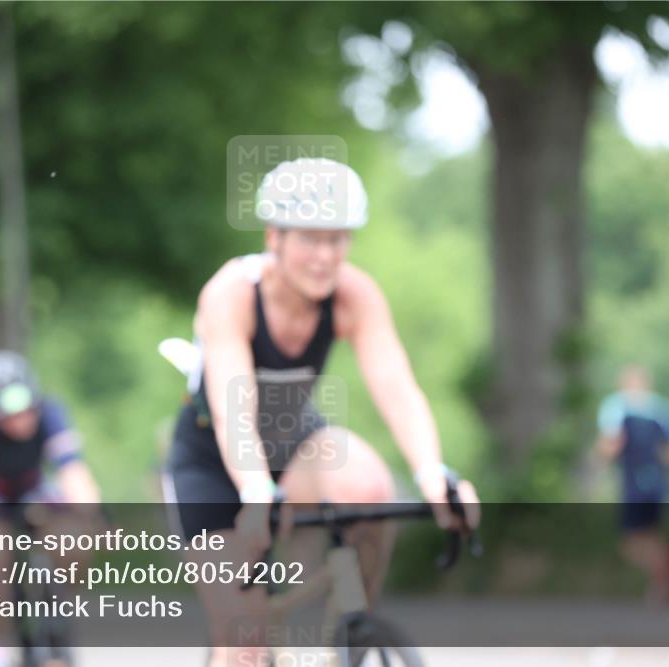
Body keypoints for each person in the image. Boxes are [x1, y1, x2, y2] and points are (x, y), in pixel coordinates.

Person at [164, 158, 480, 667]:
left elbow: (395, 385)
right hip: (214, 464)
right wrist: (254, 489)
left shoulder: (355, 294)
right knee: (243, 641)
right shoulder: (231, 295)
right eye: (311, 239)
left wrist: (432, 474)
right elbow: (234, 409)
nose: (325, 256)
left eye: (338, 239)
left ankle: (342, 637)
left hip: (294, 443)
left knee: (368, 484)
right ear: (274, 237)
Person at [0, 349, 101, 667]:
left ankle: (58, 612)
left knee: (74, 539)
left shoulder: (51, 411)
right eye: (8, 413)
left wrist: (92, 517)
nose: (21, 419)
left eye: (26, 408)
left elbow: (73, 471)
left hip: (34, 495)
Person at [595, 364, 669, 606]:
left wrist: (600, 460)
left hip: (634, 484)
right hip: (657, 483)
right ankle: (661, 580)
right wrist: (659, 460)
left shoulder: (616, 407)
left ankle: (661, 578)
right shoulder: (663, 409)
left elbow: (610, 445)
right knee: (650, 535)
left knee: (630, 541)